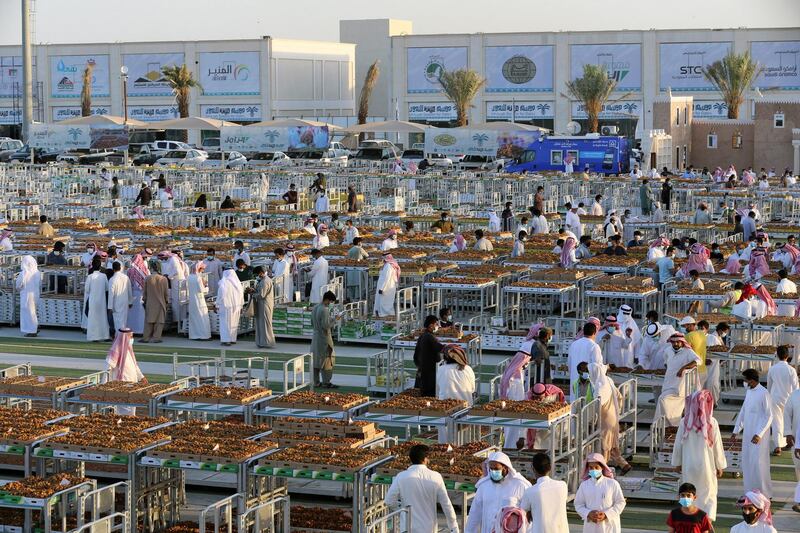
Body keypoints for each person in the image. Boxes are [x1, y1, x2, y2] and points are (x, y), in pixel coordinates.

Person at [671, 391, 727, 522]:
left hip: (688, 464)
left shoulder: (684, 422)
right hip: (706, 466)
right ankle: (707, 521)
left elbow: (678, 444)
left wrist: (677, 463)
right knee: (708, 493)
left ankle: (690, 517)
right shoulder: (712, 422)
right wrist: (720, 465)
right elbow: (717, 446)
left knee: (689, 492)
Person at [385, 444, 459, 533]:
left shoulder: (401, 476)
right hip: (428, 527)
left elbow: (389, 500)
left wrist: (403, 509)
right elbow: (446, 505)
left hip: (407, 527)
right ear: (425, 459)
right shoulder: (436, 476)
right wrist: (454, 528)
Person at [465, 452, 531, 533]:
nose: (493, 471)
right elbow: (474, 514)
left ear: (505, 468)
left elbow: (529, 515)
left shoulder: (520, 485)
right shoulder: (484, 486)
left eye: (496, 469)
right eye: (491, 469)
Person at [734, 368, 774, 497]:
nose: (744, 382)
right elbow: (743, 411)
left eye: (745, 380)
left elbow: (769, 416)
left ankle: (765, 494)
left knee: (759, 464)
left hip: (758, 436)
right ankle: (750, 493)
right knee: (747, 462)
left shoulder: (764, 393)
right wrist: (736, 430)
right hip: (747, 434)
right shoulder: (749, 392)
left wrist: (759, 434)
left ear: (751, 380)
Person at [590, 362, 631, 474]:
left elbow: (597, 405)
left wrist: (592, 420)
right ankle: (624, 465)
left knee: (604, 447)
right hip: (613, 417)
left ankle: (603, 471)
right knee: (613, 445)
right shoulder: (608, 380)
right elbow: (620, 397)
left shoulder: (599, 386)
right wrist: (617, 410)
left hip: (605, 419)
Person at [654, 332, 701, 426]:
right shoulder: (668, 350)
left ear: (682, 342)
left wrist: (683, 368)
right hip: (668, 383)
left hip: (680, 386)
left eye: (678, 342)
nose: (675, 344)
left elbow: (698, 361)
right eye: (673, 342)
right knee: (662, 401)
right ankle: (663, 426)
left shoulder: (688, 352)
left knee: (663, 400)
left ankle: (671, 425)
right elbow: (666, 361)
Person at [574, 453, 626, 533]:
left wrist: (606, 515)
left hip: (609, 526)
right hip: (591, 526)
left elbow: (620, 502)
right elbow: (578, 504)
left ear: (602, 467)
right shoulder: (584, 485)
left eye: (596, 467)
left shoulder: (612, 483)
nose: (594, 470)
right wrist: (588, 513)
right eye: (591, 468)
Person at [520, 453, 569, 533]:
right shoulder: (563, 486)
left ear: (533, 468)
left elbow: (523, 512)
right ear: (550, 467)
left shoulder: (530, 492)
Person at [436, 345, 475, 442]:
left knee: (445, 442)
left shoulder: (441, 369)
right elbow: (473, 389)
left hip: (445, 410)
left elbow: (438, 390)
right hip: (465, 410)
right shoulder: (468, 369)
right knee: (464, 441)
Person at [768, 345, 799, 454]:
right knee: (790, 422)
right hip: (789, 399)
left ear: (777, 355)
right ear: (788, 356)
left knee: (776, 423)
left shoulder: (772, 369)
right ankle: (791, 442)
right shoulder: (791, 370)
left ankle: (778, 446)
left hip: (775, 398)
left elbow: (769, 387)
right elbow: (796, 388)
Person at [568, 321, 604, 401]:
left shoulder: (574, 344)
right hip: (588, 384)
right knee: (587, 409)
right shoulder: (594, 346)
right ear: (595, 332)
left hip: (575, 380)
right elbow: (597, 367)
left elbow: (569, 364)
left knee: (575, 407)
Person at [312, 291, 339, 388]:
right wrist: (335, 319)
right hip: (324, 337)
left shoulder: (315, 308)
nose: (331, 303)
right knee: (327, 360)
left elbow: (313, 322)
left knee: (315, 360)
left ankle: (316, 382)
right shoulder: (324, 309)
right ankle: (326, 382)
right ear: (328, 299)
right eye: (331, 301)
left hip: (315, 337)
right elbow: (326, 325)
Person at [414, 316, 444, 396]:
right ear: (431, 325)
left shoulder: (423, 336)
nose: (438, 326)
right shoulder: (429, 337)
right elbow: (441, 348)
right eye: (436, 324)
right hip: (429, 372)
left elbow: (416, 356)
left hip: (423, 370)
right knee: (428, 396)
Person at [141, 260, 169, 343]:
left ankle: (146, 338)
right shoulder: (164, 279)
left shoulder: (147, 278)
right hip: (161, 303)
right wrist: (166, 301)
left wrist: (144, 300)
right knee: (159, 322)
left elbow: (144, 292)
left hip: (150, 302)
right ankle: (156, 338)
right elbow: (166, 293)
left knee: (148, 321)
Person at [84, 257, 110, 342]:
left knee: (93, 318)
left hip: (93, 300)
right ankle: (104, 335)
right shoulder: (104, 276)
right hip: (102, 300)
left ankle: (93, 336)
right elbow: (107, 288)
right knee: (102, 318)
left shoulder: (90, 277)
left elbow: (87, 290)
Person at [126, 252, 150, 335]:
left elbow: (128, 282)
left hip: (132, 294)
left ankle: (132, 330)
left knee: (133, 313)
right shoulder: (146, 270)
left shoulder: (130, 270)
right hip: (142, 294)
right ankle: (141, 330)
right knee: (140, 313)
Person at [252, 266, 275, 349]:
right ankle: (262, 342)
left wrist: (253, 294)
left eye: (257, 274)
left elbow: (262, 295)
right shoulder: (263, 280)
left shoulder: (265, 281)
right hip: (262, 304)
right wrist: (254, 291)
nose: (257, 276)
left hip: (265, 304)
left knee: (265, 324)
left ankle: (267, 342)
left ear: (261, 273)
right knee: (261, 324)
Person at [16, 256, 40, 337]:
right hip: (35, 294)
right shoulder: (37, 272)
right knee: (33, 312)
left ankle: (31, 330)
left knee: (28, 313)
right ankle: (35, 327)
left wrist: (19, 289)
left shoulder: (24, 273)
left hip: (26, 295)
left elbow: (19, 286)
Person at [187, 261, 211, 341]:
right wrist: (206, 285)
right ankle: (204, 336)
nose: (203, 271)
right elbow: (202, 290)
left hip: (192, 300)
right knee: (202, 318)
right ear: (199, 269)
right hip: (199, 300)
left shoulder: (189, 277)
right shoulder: (198, 278)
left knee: (194, 318)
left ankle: (194, 335)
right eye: (202, 269)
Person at [107, 261, 132, 333]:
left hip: (116, 303)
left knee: (117, 321)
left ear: (113, 269)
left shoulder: (112, 279)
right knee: (123, 320)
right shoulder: (126, 277)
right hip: (125, 302)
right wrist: (130, 302)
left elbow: (111, 294)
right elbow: (129, 290)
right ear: (120, 268)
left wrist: (110, 307)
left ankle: (119, 338)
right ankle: (122, 337)